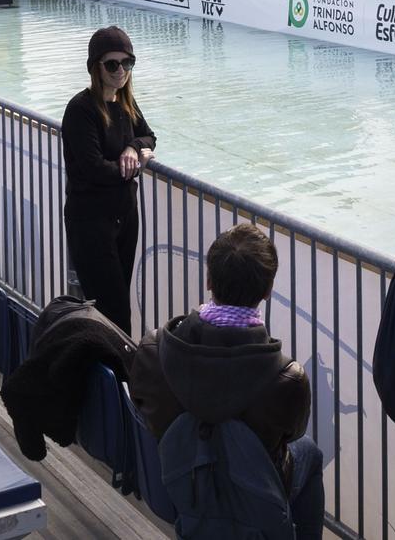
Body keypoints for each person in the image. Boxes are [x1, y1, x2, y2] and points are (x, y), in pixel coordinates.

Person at [129, 224, 323, 539]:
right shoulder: (287, 378)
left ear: (208, 280)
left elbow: (145, 406)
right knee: (309, 452)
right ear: (267, 290)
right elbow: (292, 432)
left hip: (181, 486)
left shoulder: (154, 351)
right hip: (254, 498)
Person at [61, 25, 155, 333]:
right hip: (91, 224)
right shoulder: (80, 109)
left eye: (127, 63)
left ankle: (113, 375)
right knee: (112, 312)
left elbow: (149, 136)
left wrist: (133, 146)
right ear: (95, 68)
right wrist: (134, 166)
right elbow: (93, 169)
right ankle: (115, 377)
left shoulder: (124, 103)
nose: (120, 71)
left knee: (119, 305)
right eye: (112, 64)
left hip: (124, 218)